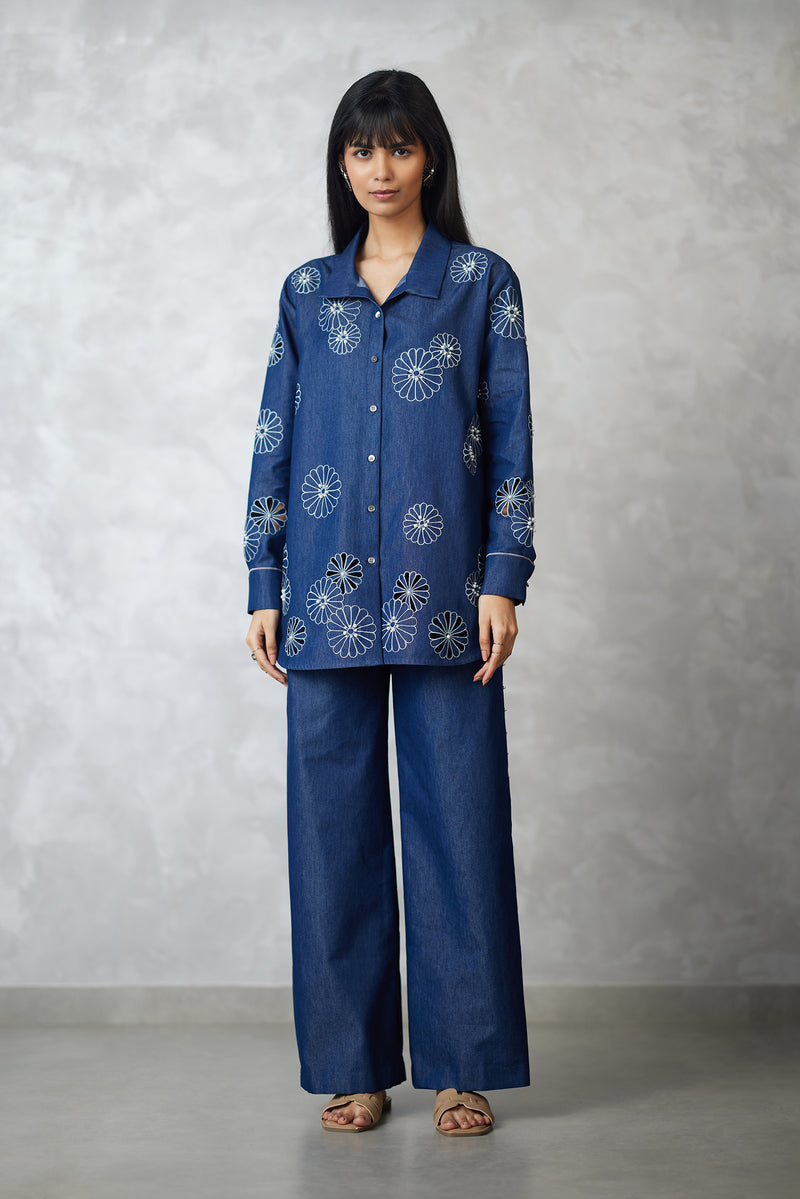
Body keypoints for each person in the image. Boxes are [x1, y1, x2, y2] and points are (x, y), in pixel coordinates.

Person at [244, 68, 535, 1137]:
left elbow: (511, 431)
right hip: (320, 601)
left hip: (448, 597)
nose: (380, 168)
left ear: (430, 158)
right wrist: (262, 581)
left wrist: (504, 574)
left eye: (399, 147)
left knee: (458, 826)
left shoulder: (480, 282)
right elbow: (272, 440)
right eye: (362, 150)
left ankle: (463, 1065)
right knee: (333, 838)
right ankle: (353, 1064)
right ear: (341, 162)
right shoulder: (306, 293)